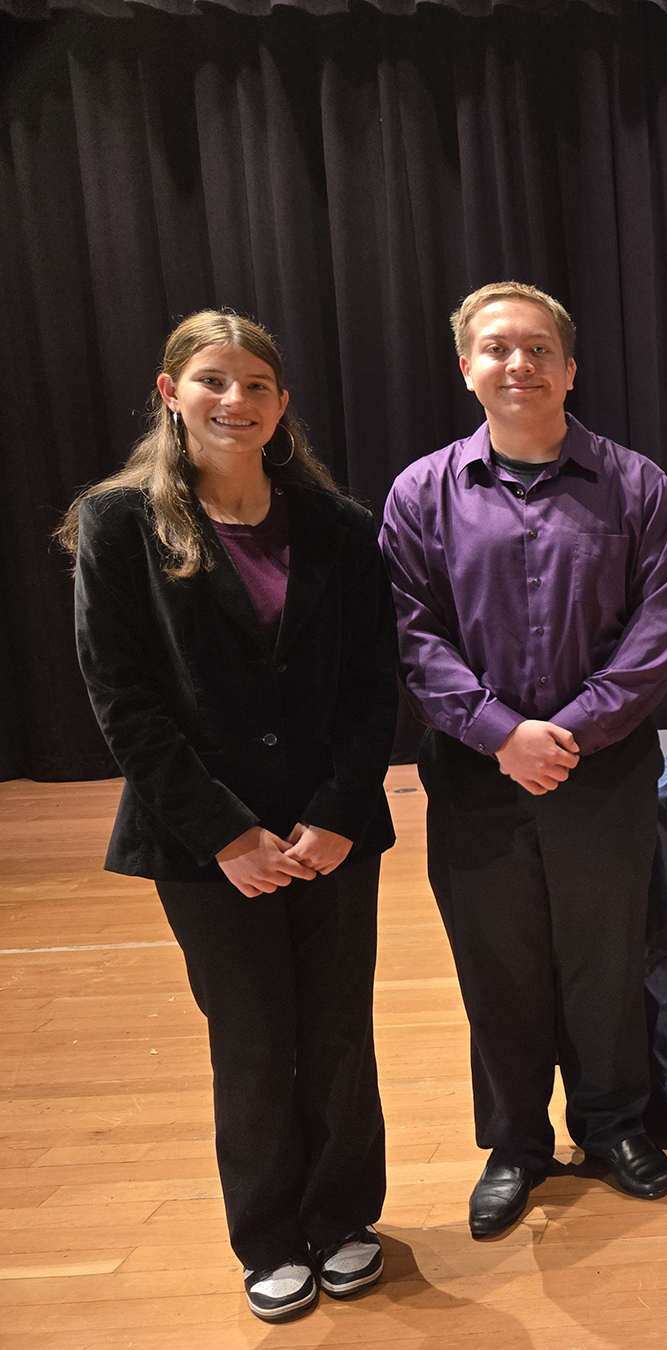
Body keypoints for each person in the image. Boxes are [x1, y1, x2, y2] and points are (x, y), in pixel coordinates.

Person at [61, 311, 396, 1322]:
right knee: (252, 1039)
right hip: (206, 841)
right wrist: (228, 834)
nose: (235, 400)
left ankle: (344, 1216)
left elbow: (372, 689)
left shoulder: (340, 526)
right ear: (172, 393)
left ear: (282, 404)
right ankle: (270, 1237)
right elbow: (123, 701)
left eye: (256, 384)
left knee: (337, 1031)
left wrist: (338, 814)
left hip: (331, 834)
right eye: (213, 380)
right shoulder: (118, 524)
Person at [381, 282, 667, 1239]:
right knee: (498, 965)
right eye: (497, 348)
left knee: (605, 957)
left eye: (539, 348)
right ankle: (515, 1144)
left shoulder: (636, 485)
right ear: (466, 368)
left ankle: (613, 1126)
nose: (519, 363)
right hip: (475, 773)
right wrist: (501, 735)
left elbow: (659, 628)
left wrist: (571, 734)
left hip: (603, 770)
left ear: (569, 367)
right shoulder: (421, 494)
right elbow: (410, 633)